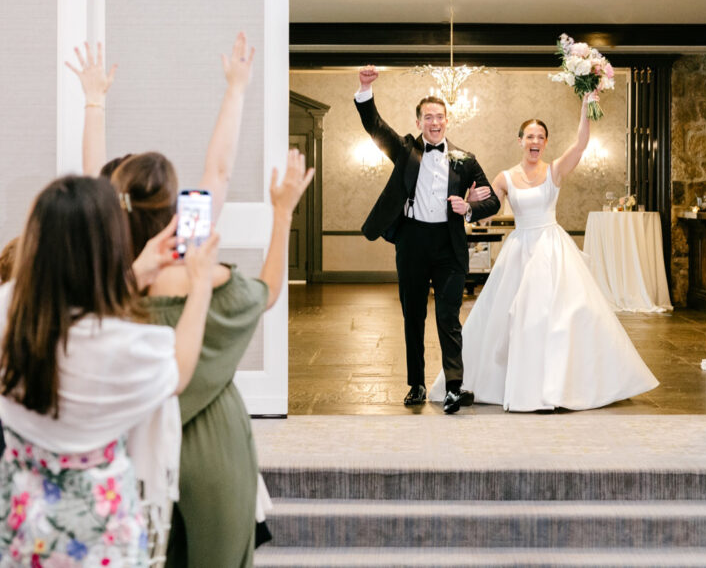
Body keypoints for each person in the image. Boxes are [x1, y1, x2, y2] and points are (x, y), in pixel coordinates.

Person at [71, 34, 309, 567]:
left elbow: (93, 180)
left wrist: (94, 100)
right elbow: (219, 172)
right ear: (173, 204)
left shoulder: (107, 267)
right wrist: (237, 89)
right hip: (211, 446)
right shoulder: (187, 251)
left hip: (128, 440)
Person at [0, 176, 218, 567]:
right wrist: (200, 284)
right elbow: (179, 370)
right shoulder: (125, 346)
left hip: (21, 517)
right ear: (108, 248)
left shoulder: (9, 311)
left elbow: (69, 309)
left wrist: (140, 271)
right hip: (101, 533)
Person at [429, 94, 658, 411]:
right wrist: (469, 202)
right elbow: (487, 212)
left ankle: (559, 385)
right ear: (520, 140)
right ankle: (514, 384)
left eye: (540, 137)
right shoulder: (505, 178)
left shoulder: (555, 172)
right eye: (529, 136)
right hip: (520, 250)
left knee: (562, 319)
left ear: (545, 142)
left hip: (553, 251)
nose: (534, 141)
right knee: (514, 319)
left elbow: (580, 144)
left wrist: (585, 106)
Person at [354, 65, 501, 414]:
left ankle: (453, 387)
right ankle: (416, 384)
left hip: (448, 245)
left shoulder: (466, 160)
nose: (434, 123)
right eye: (428, 117)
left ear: (447, 121)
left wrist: (469, 207)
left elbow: (492, 200)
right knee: (413, 316)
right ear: (419, 121)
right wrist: (364, 89)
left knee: (449, 317)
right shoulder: (406, 150)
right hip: (412, 242)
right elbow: (374, 125)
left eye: (440, 117)